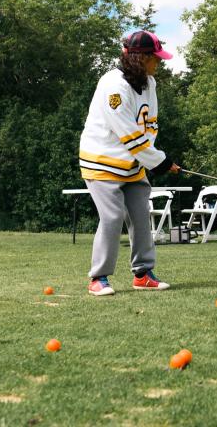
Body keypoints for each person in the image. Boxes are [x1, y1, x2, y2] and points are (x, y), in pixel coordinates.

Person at [79, 31, 181, 295]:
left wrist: (156, 158)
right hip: (101, 160)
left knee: (140, 215)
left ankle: (143, 274)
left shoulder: (150, 83)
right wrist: (160, 162)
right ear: (140, 58)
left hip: (134, 162)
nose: (159, 63)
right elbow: (128, 134)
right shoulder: (113, 86)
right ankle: (98, 278)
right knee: (112, 217)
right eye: (155, 58)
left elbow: (150, 127)